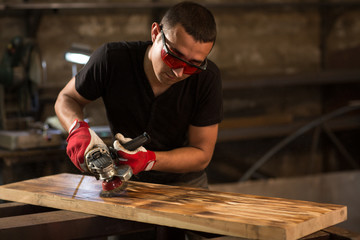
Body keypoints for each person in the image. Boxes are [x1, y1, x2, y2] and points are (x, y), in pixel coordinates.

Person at [55, 1, 223, 190]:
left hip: (185, 184)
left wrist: (149, 160)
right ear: (155, 33)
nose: (179, 72)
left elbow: (201, 154)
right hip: (124, 180)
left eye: (193, 65)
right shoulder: (112, 60)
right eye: (173, 56)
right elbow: (67, 98)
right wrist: (76, 128)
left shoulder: (207, 78)